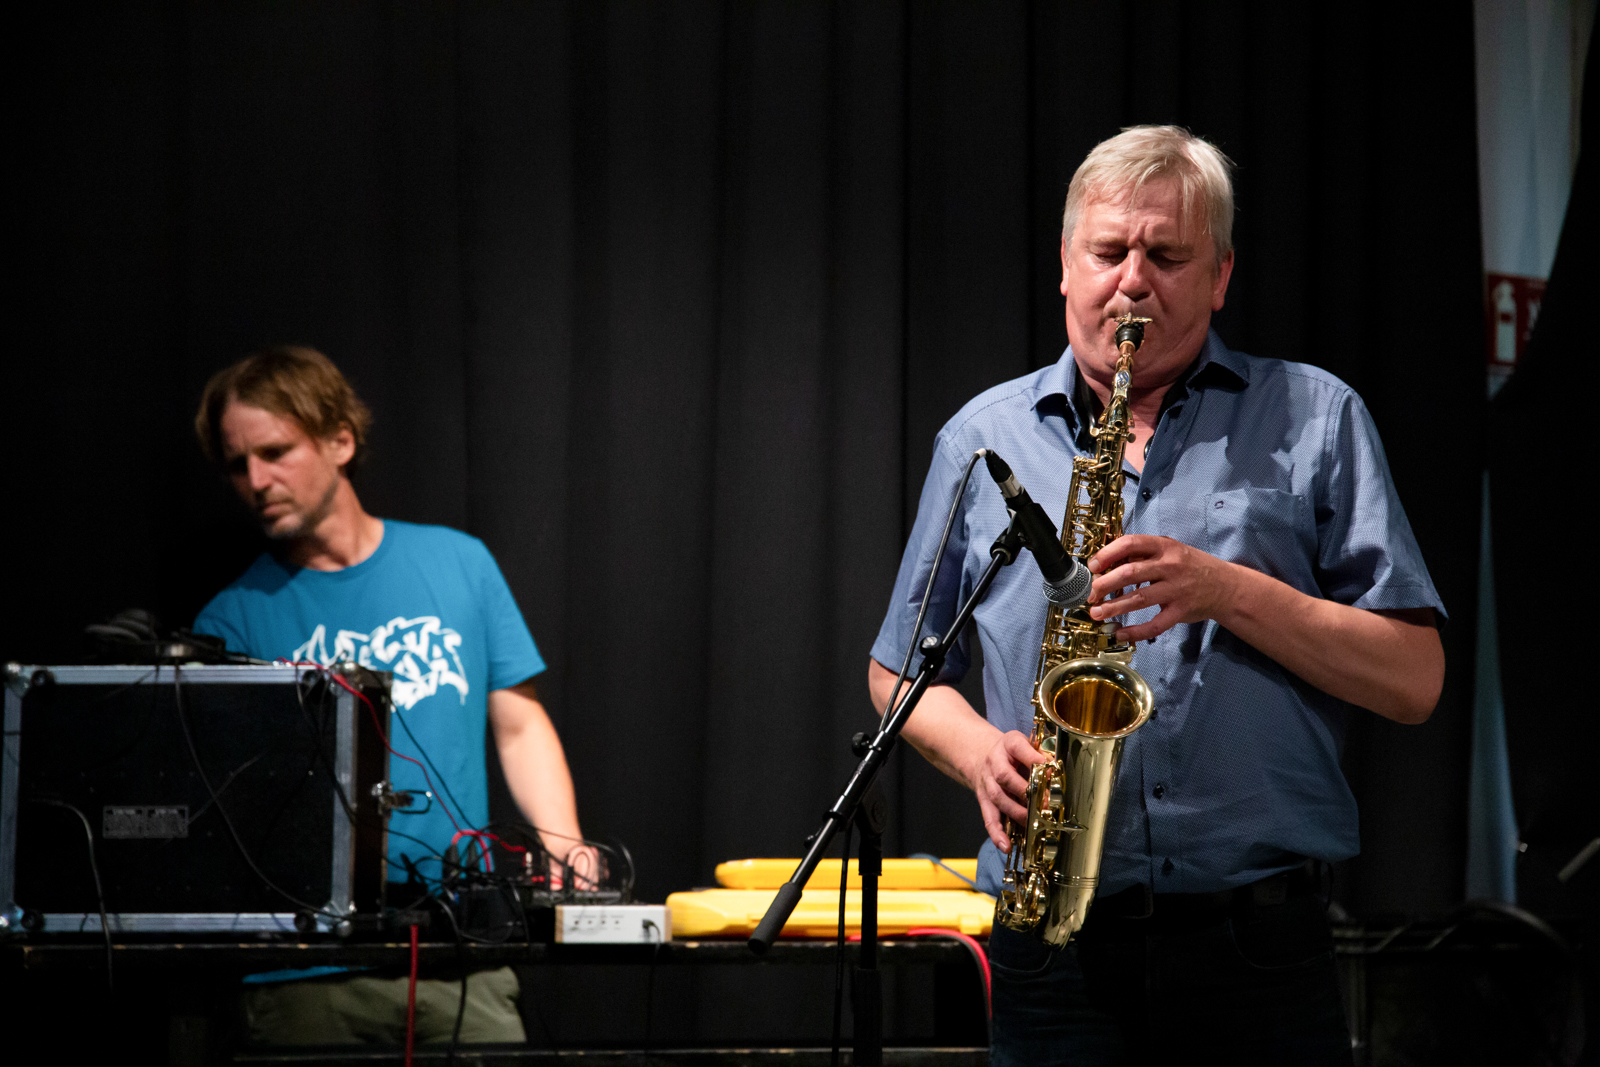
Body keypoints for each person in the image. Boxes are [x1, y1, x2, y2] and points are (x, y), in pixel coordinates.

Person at [868, 126, 1445, 1065]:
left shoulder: (1318, 415)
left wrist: (1224, 588)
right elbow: (897, 669)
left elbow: (1414, 679)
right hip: (1051, 952)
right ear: (1066, 266)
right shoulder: (981, 440)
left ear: (1220, 276)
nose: (1132, 282)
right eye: (1109, 252)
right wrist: (977, 752)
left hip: (1258, 951)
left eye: (1167, 256)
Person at [193, 345, 592, 1045]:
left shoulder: (459, 563)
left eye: (276, 451)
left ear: (340, 441)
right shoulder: (230, 622)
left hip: (461, 960)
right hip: (304, 977)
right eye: (237, 464)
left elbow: (519, 725)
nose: (256, 480)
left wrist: (567, 847)